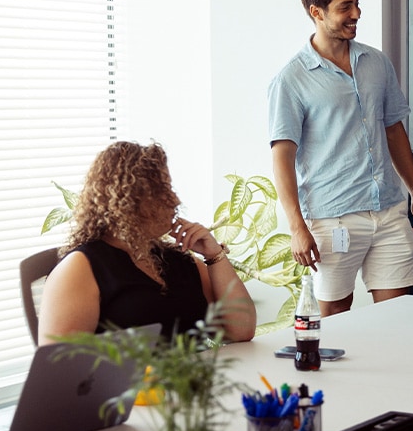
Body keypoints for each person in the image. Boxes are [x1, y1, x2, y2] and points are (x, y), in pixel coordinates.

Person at [268, 0, 413, 316]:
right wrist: (297, 227)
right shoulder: (291, 79)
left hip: (389, 212)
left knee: (397, 322)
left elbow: (393, 129)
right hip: (333, 218)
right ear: (317, 12)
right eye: (345, 7)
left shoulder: (376, 63)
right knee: (334, 324)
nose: (356, 14)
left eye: (357, 3)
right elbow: (282, 157)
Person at [39, 141, 255, 345]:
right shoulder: (81, 267)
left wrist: (214, 254)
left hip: (190, 380)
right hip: (130, 385)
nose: (176, 200)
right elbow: (58, 371)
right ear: (129, 200)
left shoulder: (178, 260)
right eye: (163, 192)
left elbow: (241, 331)